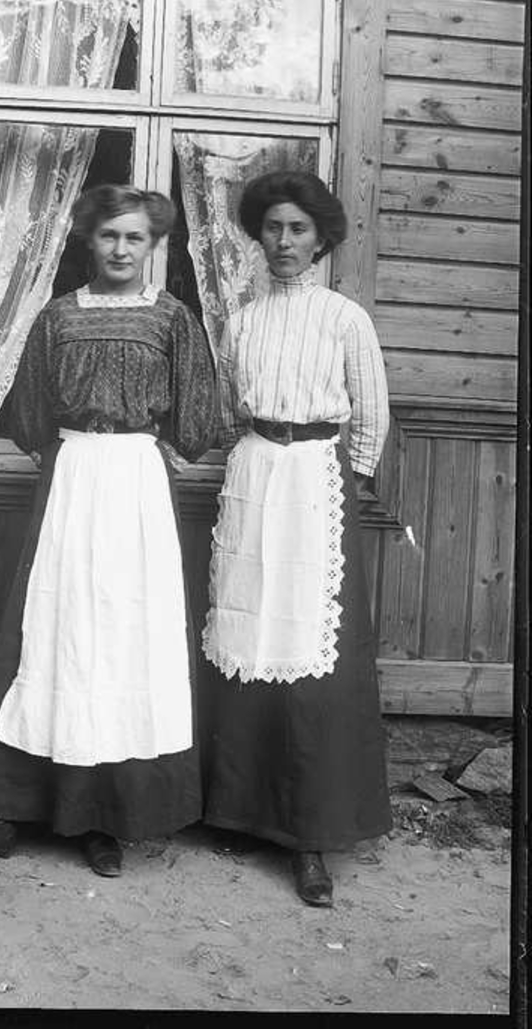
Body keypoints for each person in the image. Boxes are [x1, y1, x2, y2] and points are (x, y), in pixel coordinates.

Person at [0, 185, 218, 877]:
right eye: (109, 235)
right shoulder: (58, 316)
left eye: (134, 237)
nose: (121, 249)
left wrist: (143, 450)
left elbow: (198, 419)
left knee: (124, 637)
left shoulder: (172, 318)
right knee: (55, 632)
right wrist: (77, 455)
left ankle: (104, 819)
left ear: (153, 245)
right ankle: (4, 812)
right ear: (89, 239)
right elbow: (29, 416)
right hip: (72, 477)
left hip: (138, 485)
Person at [201, 170, 391, 906]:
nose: (283, 242)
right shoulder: (242, 321)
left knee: (312, 652)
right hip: (254, 474)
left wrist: (347, 480)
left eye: (298, 230)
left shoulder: (345, 318)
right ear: (259, 235)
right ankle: (241, 811)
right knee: (246, 635)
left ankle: (309, 832)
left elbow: (369, 416)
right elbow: (227, 409)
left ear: (321, 239)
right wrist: (250, 460)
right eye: (273, 228)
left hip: (316, 480)